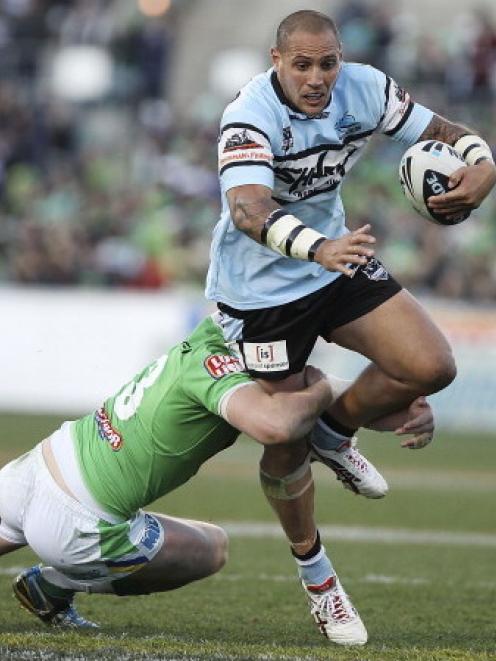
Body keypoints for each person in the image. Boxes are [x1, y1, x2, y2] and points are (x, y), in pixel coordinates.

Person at [205, 9, 496, 645]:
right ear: (276, 59)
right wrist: (317, 249)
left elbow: (448, 131)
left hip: (332, 259)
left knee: (430, 367)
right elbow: (250, 211)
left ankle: (336, 433)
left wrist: (484, 165)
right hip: (259, 294)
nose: (317, 77)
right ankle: (320, 579)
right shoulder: (249, 114)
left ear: (341, 58)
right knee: (283, 440)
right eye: (302, 64)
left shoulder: (365, 87)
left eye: (327, 62)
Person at [0, 313, 434, 646]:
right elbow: (277, 426)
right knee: (212, 549)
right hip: (80, 522)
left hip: (46, 460)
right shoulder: (220, 368)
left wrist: (402, 409)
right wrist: (318, 386)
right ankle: (54, 583)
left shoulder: (221, 343)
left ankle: (52, 584)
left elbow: (340, 397)